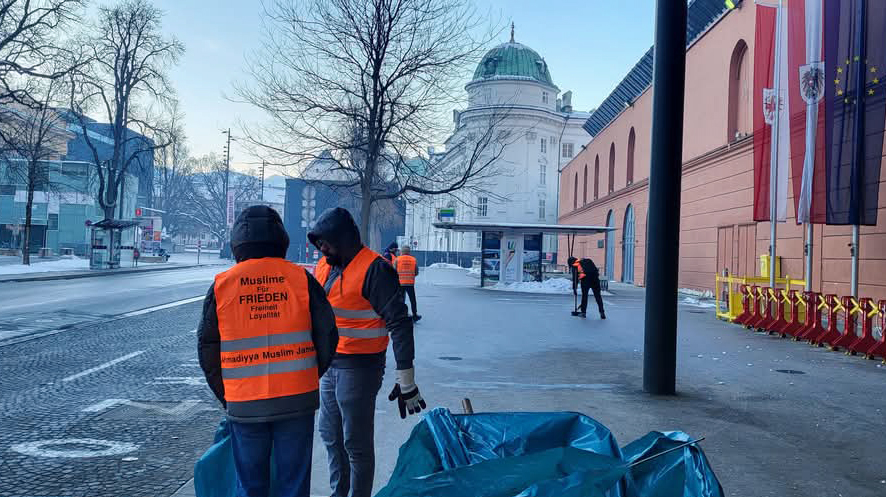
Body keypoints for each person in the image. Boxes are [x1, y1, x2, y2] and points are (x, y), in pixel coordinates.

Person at [197, 205, 339, 497]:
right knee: (294, 484)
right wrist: (308, 375)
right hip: (297, 399)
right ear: (281, 241)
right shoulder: (301, 279)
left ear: (237, 243)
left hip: (245, 400)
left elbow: (207, 349)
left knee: (250, 486)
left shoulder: (223, 285)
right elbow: (327, 335)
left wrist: (228, 393)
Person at [308, 207, 426, 497]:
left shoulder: (375, 269)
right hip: (330, 366)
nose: (322, 249)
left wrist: (406, 377)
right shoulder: (324, 266)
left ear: (345, 240)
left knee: (355, 442)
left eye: (327, 242)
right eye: (319, 243)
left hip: (361, 367)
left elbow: (400, 323)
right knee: (330, 436)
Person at [394, 245, 420, 322]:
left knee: (400, 300)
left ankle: (399, 315)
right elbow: (416, 272)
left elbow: (393, 271)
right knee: (412, 300)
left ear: (401, 251)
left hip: (400, 283)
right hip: (410, 283)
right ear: (409, 252)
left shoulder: (397, 259)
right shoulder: (413, 259)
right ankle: (415, 315)